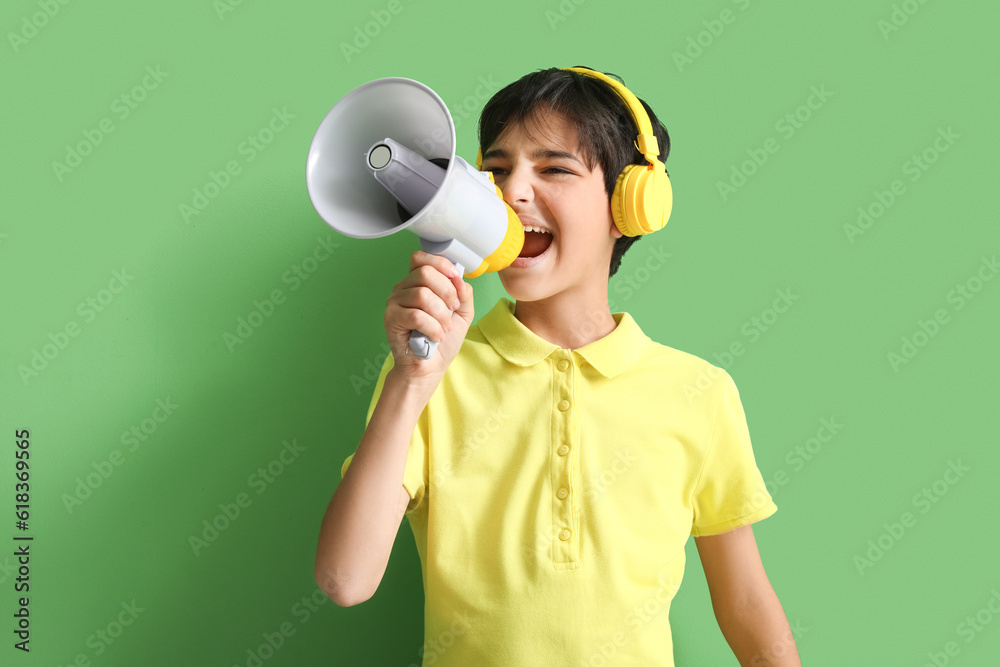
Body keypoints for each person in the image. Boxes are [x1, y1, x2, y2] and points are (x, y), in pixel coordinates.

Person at [315, 66, 802, 666]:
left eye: (555, 168)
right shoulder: (429, 381)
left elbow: (747, 605)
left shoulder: (698, 393)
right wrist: (411, 383)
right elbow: (345, 579)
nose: (513, 191)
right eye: (495, 169)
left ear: (630, 204)